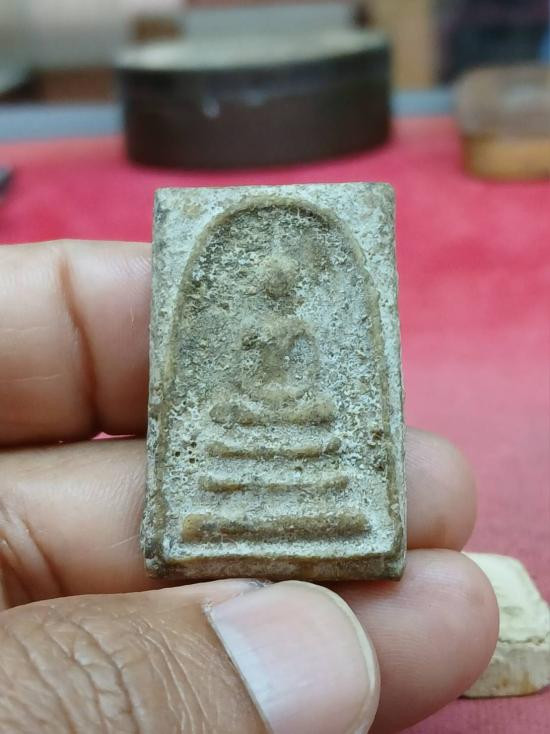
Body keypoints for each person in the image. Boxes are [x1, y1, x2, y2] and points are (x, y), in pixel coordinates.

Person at [0, 240, 498, 733]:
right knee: (227, 420)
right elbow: (241, 380)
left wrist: (294, 398)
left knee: (319, 420)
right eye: (269, 283)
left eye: (282, 283)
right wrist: (249, 401)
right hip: (255, 410)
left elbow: (308, 377)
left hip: (294, 409)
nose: (275, 289)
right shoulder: (253, 328)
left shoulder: (298, 326)